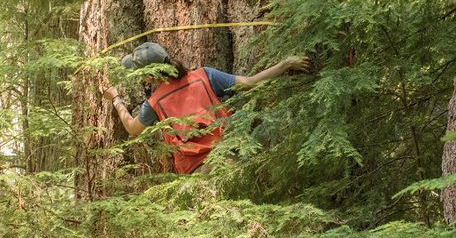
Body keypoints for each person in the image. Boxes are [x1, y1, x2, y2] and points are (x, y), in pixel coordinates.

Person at [101, 41, 310, 175]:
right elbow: (250, 82)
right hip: (230, 157)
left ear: (149, 76)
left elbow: (131, 128)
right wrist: (285, 64)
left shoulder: (154, 104)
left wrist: (116, 99)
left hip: (197, 173)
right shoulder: (204, 75)